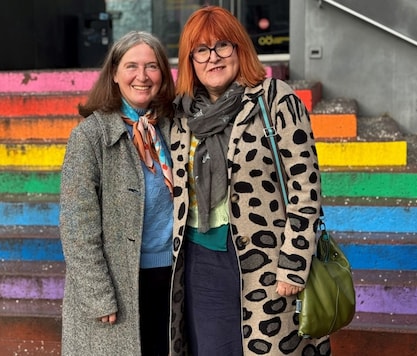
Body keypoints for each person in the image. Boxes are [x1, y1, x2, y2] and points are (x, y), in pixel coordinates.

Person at [169, 6, 331, 355]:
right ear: (190, 60)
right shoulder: (180, 115)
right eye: (201, 49)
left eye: (222, 46)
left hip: (268, 261)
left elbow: (306, 186)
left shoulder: (275, 98)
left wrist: (294, 262)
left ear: (240, 48)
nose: (213, 57)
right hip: (201, 259)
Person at [59, 31, 176, 356]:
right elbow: (76, 228)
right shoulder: (90, 137)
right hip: (119, 285)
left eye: (152, 66)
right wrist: (98, 294)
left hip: (171, 278)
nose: (142, 76)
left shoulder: (172, 127)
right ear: (114, 73)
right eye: (132, 66)